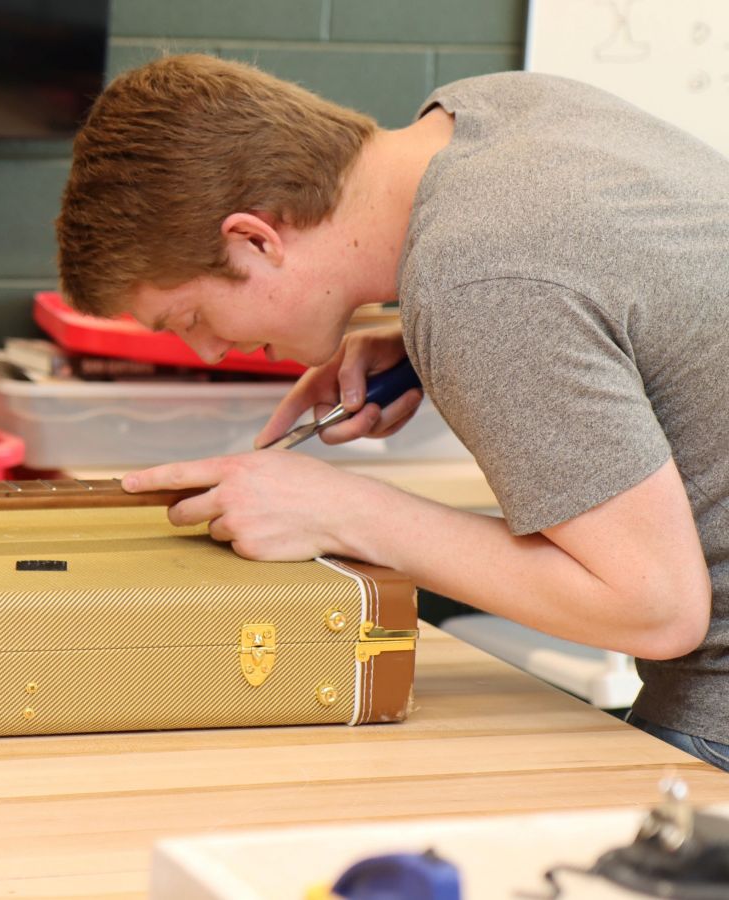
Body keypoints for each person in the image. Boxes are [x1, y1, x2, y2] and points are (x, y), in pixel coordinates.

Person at [54, 53, 729, 770]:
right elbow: (618, 291)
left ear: (254, 239)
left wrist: (345, 511)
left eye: (189, 315)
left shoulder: (478, 279)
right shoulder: (489, 113)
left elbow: (655, 608)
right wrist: (427, 346)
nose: (210, 351)